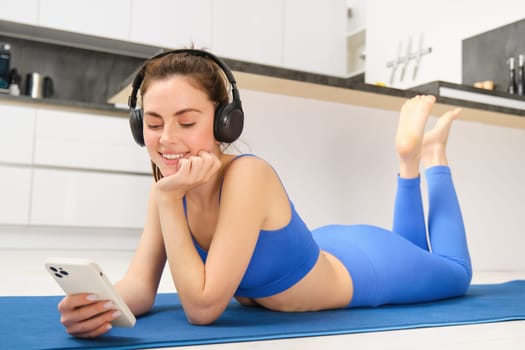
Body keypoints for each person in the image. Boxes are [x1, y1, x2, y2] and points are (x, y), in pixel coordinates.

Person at [57, 50, 472, 338]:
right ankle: (409, 161)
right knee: (418, 251)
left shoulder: (247, 175)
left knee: (453, 270)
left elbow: (202, 309)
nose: (167, 139)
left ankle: (426, 158)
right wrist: (101, 303)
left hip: (367, 267)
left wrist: (168, 199)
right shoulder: (169, 189)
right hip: (327, 246)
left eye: (186, 122)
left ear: (225, 123)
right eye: (152, 123)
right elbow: (141, 287)